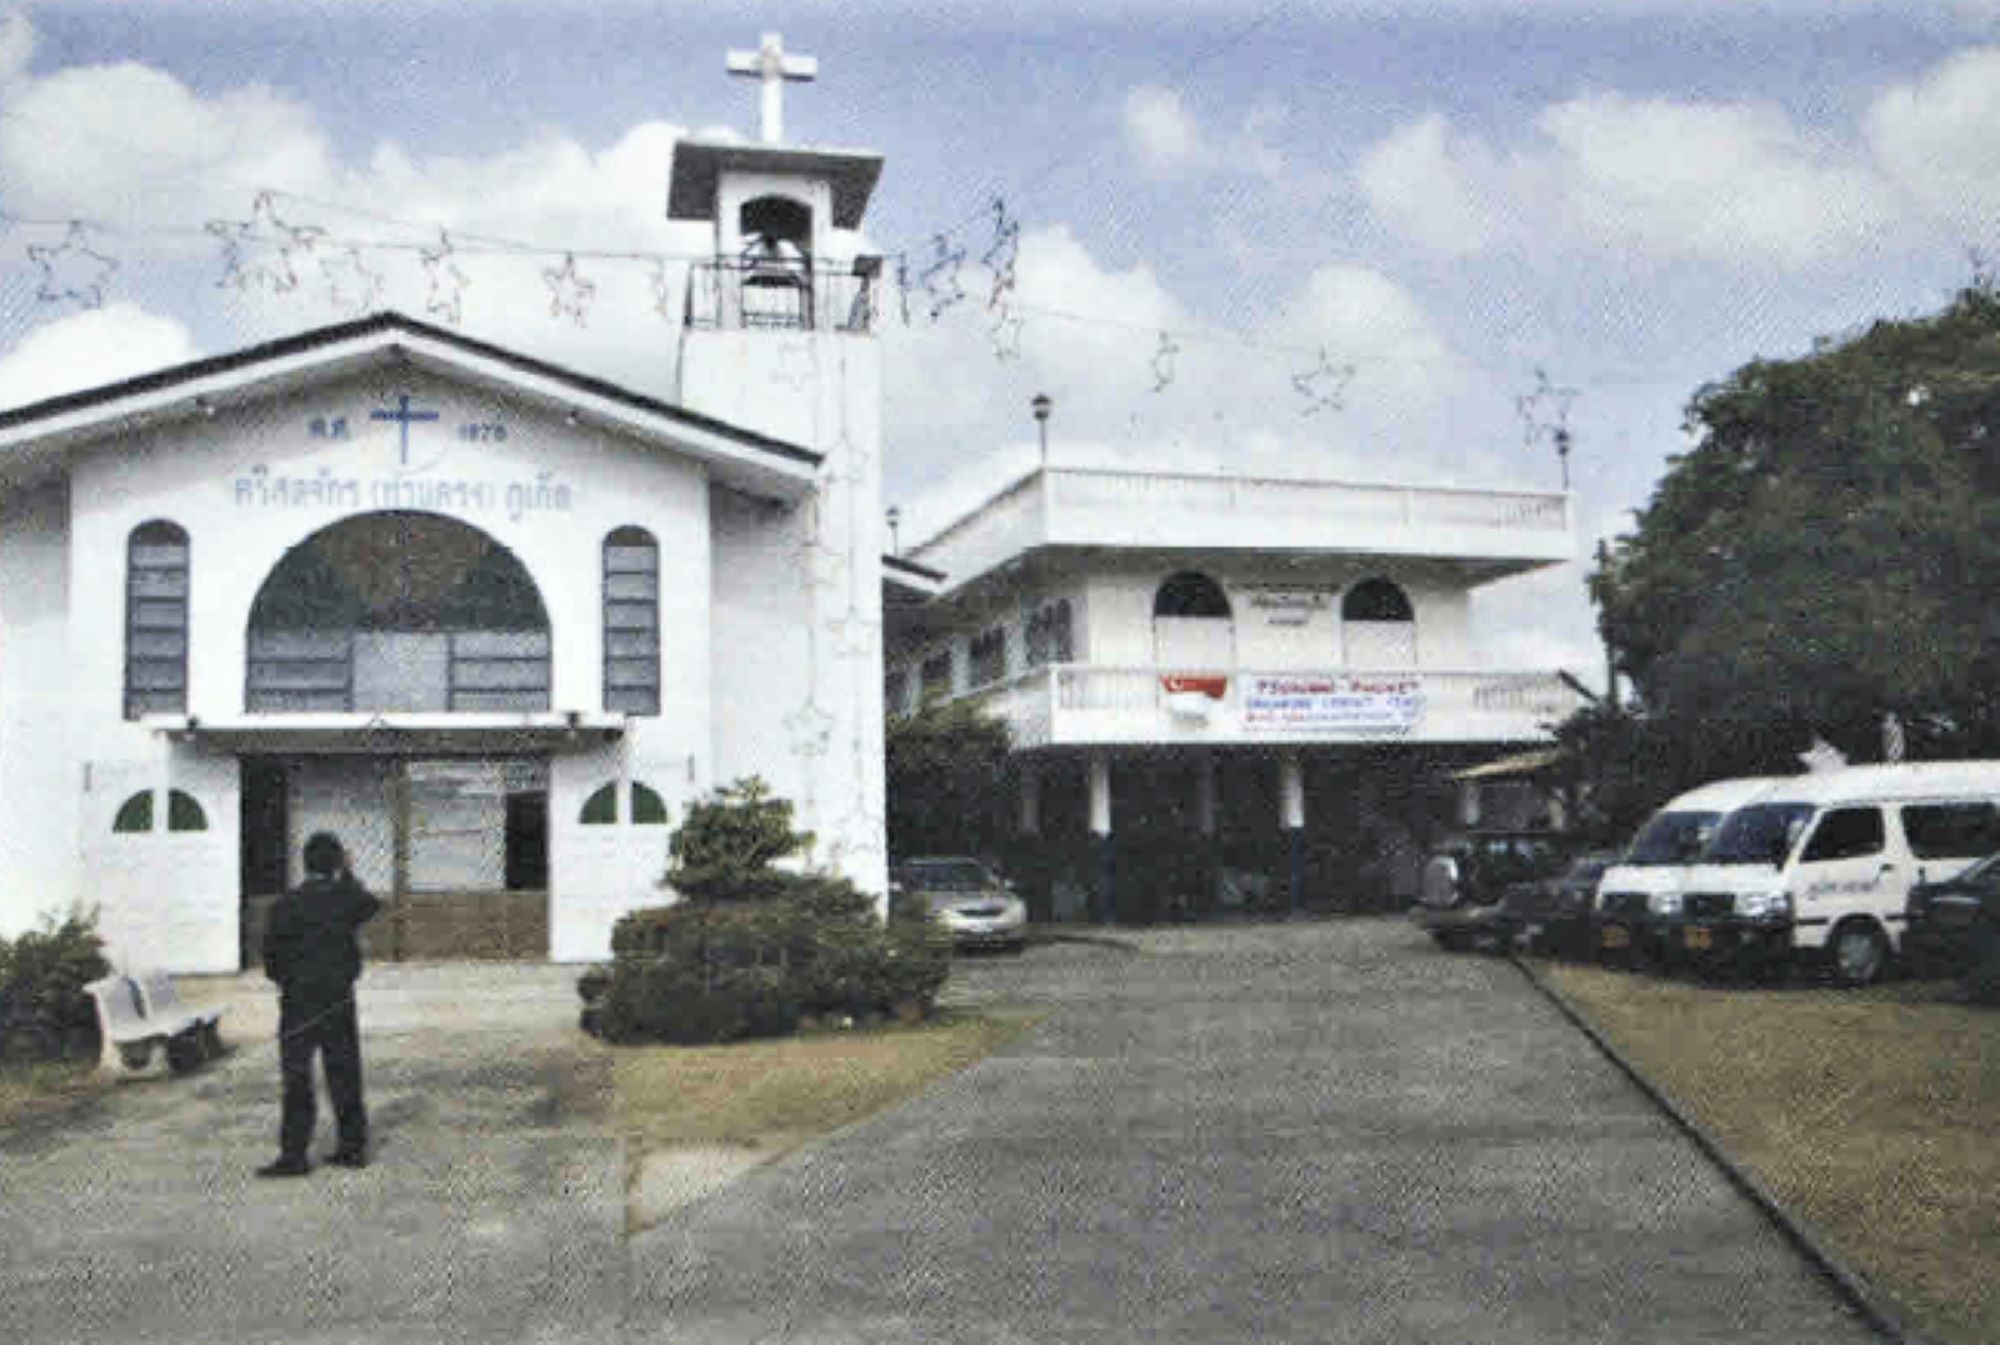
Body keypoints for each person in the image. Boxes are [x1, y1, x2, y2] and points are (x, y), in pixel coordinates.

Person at [257, 831, 382, 1177]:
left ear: (305, 863)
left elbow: (271, 961)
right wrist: (349, 874)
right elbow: (371, 904)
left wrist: (288, 981)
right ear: (336, 863)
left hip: (297, 1002)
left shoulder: (285, 905)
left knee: (297, 1078)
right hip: (337, 999)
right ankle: (352, 1148)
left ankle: (294, 1155)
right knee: (344, 1073)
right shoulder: (345, 898)